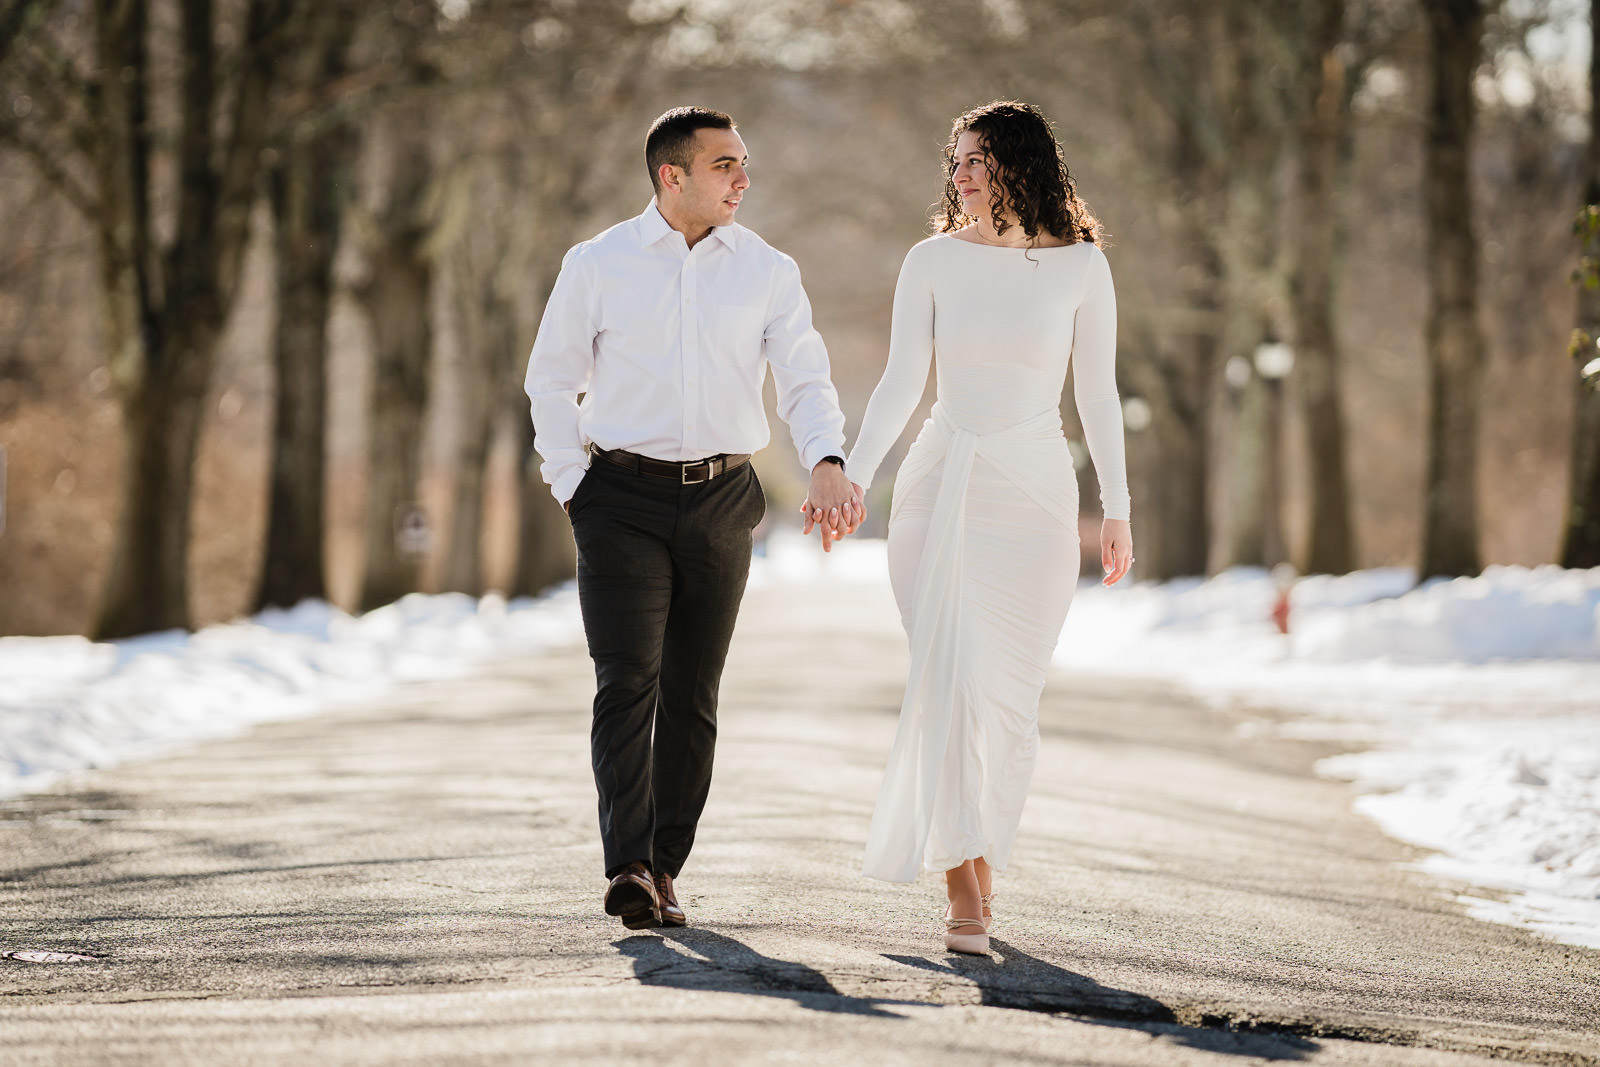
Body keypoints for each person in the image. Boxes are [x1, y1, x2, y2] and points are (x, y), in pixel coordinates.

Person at [525, 106, 865, 931]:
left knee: (692, 692)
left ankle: (666, 863)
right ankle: (630, 864)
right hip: (620, 501)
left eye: (744, 163)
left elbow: (806, 380)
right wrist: (577, 487)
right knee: (626, 681)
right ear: (671, 176)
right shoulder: (598, 263)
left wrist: (826, 459)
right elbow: (550, 380)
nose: (743, 179)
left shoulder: (768, 272)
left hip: (721, 498)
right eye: (724, 165)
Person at [841, 100, 1134, 955]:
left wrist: (1116, 506)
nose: (961, 174)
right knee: (949, 682)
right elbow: (901, 381)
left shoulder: (1081, 267)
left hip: (1036, 489)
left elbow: (1099, 395)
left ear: (1021, 166)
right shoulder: (931, 261)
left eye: (977, 160)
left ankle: (979, 846)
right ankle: (962, 888)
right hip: (939, 486)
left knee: (1009, 701)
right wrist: (855, 476)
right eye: (956, 161)